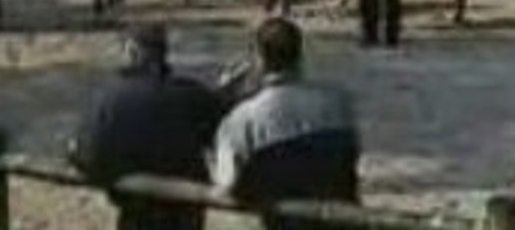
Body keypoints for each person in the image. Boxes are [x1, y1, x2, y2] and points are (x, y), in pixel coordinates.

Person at [69, 23, 226, 230]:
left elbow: (84, 155)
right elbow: (224, 136)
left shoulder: (108, 97)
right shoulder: (191, 94)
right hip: (184, 211)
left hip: (135, 208)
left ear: (132, 52)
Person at [212, 18, 360, 230]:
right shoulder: (339, 102)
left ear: (259, 60)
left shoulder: (243, 119)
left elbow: (225, 184)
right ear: (300, 56)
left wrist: (223, 100)